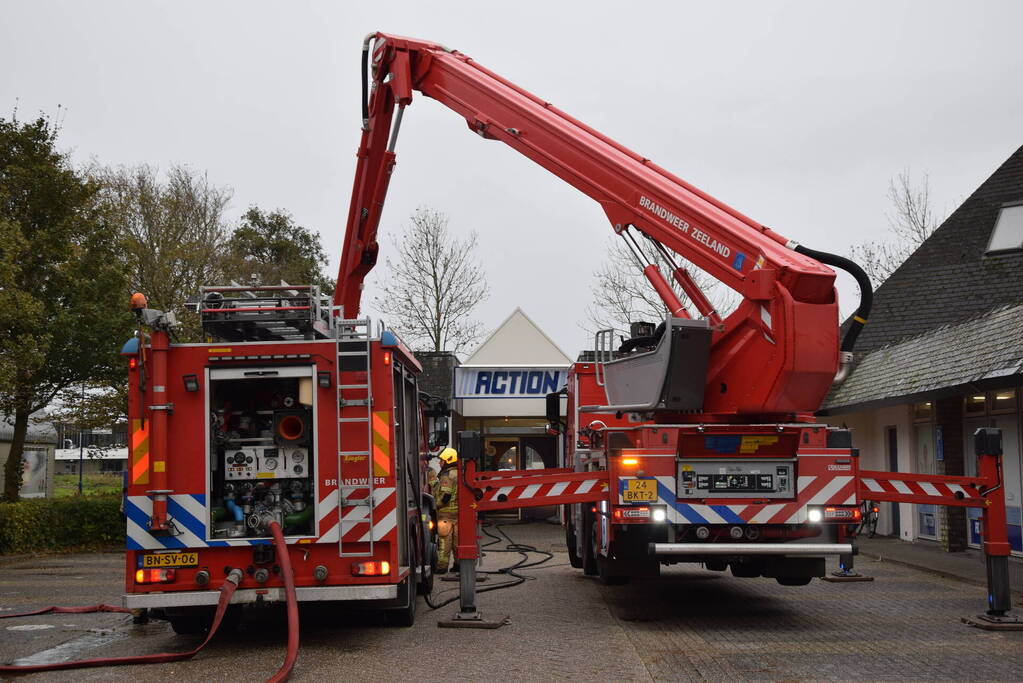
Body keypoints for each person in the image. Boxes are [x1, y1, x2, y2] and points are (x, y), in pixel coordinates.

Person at [432, 447, 458, 573]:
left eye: (441, 460)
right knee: (458, 542)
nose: (439, 463)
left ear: (448, 460)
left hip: (446, 515)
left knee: (444, 542)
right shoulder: (461, 473)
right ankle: (459, 565)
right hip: (459, 515)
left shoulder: (447, 475)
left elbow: (446, 496)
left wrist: (435, 505)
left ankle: (442, 567)